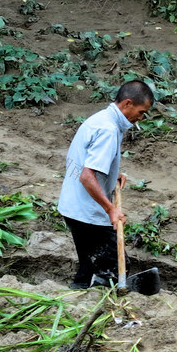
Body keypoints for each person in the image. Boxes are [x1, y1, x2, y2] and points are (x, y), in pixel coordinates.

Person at [57, 80, 154, 289]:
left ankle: (80, 291)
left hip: (73, 206)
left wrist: (110, 174)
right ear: (128, 104)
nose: (141, 117)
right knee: (114, 265)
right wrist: (110, 209)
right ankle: (97, 301)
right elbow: (86, 176)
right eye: (141, 111)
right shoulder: (108, 129)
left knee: (90, 266)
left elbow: (86, 161)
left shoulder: (101, 120)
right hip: (86, 211)